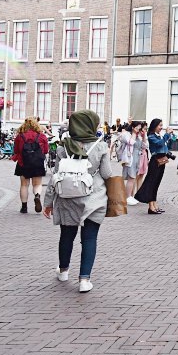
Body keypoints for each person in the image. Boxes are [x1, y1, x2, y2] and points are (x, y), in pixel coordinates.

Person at [43, 110, 112, 293]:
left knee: (66, 235)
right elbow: (106, 174)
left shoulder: (62, 147)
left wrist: (48, 202)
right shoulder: (101, 146)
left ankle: (63, 271)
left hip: (67, 198)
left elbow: (55, 176)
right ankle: (84, 280)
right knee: (89, 238)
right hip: (93, 199)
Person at [134, 119, 174, 214]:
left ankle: (154, 204)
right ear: (155, 126)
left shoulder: (159, 136)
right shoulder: (151, 136)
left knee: (156, 183)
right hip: (155, 161)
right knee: (152, 183)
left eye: (162, 125)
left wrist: (171, 137)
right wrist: (167, 135)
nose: (161, 127)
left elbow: (166, 146)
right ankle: (151, 206)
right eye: (160, 125)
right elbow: (159, 144)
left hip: (161, 161)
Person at [11, 117, 50, 213]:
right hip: (37, 162)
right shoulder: (41, 136)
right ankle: (37, 195)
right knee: (37, 184)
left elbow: (16, 150)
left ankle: (24, 207)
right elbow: (45, 150)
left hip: (23, 162)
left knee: (24, 185)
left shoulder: (20, 136)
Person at [118, 122, 144, 205]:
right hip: (130, 158)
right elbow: (131, 142)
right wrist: (134, 133)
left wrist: (144, 136)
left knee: (133, 177)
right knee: (131, 177)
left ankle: (130, 196)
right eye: (137, 128)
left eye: (140, 128)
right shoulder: (126, 134)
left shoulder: (138, 135)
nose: (139, 130)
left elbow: (144, 145)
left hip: (137, 157)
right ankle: (127, 197)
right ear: (133, 127)